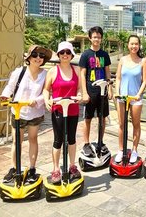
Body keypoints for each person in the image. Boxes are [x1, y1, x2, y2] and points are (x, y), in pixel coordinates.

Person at [0, 45, 52, 183]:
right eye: (35, 55)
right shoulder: (19, 72)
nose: (38, 58)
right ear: (29, 57)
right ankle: (14, 168)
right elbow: (10, 88)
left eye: (41, 56)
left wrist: (37, 101)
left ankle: (32, 168)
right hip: (18, 111)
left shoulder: (45, 74)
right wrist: (5, 96)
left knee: (33, 139)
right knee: (17, 141)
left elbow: (46, 92)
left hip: (35, 112)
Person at [43, 41, 81, 183]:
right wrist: (47, 100)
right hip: (58, 109)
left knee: (71, 138)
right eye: (62, 52)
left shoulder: (76, 70)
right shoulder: (53, 71)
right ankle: (55, 169)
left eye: (68, 52)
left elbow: (79, 89)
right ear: (58, 54)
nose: (65, 55)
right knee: (58, 140)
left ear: (71, 55)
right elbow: (46, 89)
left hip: (72, 109)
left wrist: (78, 96)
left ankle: (72, 165)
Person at [79, 26, 113, 156]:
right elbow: (82, 74)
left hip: (103, 91)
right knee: (87, 118)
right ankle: (86, 143)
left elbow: (108, 72)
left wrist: (110, 88)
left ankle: (100, 141)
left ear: (101, 38)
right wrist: (84, 92)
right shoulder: (86, 55)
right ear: (90, 38)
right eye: (94, 37)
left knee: (102, 118)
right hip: (90, 90)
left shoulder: (104, 54)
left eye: (99, 37)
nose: (97, 39)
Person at [114, 35, 146, 163]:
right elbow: (118, 78)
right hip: (122, 97)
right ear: (128, 45)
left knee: (136, 124)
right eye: (131, 44)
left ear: (139, 45)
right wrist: (117, 92)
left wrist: (139, 93)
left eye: (136, 44)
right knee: (122, 124)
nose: (134, 46)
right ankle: (121, 150)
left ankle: (134, 150)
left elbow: (144, 81)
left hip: (135, 98)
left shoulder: (143, 61)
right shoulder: (122, 60)